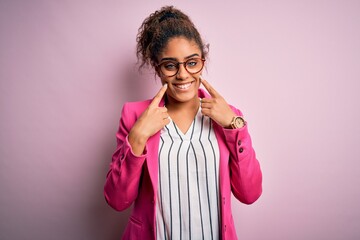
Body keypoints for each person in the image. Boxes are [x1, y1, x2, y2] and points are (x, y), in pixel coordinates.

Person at [104, 5, 262, 240]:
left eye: (191, 62)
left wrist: (234, 126)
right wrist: (137, 138)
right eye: (170, 65)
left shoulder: (228, 115)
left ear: (202, 61)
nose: (183, 74)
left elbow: (250, 194)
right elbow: (117, 200)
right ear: (158, 69)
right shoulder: (135, 116)